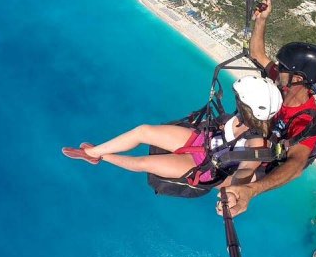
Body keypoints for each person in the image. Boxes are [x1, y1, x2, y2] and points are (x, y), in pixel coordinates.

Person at [62, 75, 283, 189]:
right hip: (203, 140)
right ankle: (92, 152)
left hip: (204, 167)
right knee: (144, 131)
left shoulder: (257, 143)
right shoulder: (244, 114)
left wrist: (238, 189)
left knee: (144, 164)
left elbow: (247, 168)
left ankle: (102, 157)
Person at [217, 0, 316, 217]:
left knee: (220, 182)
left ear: (298, 77)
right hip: (251, 137)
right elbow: (257, 54)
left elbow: (296, 164)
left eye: (283, 67)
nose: (277, 68)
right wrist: (262, 20)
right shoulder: (282, 84)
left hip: (262, 157)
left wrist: (252, 190)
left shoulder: (306, 119)